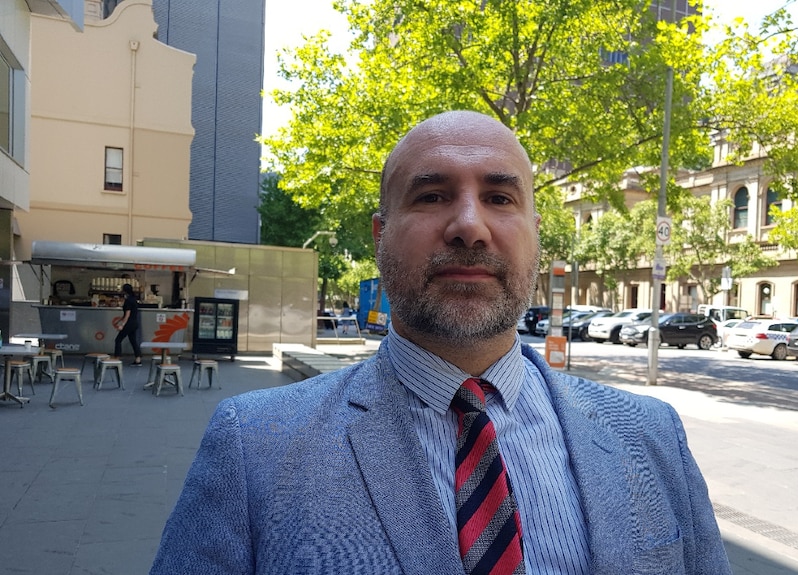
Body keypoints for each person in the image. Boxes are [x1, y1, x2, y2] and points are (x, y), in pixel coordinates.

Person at [150, 111, 731, 574]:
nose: (469, 226)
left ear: (534, 236)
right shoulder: (253, 447)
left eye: (501, 198)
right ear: (381, 236)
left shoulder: (653, 435)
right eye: (431, 196)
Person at [114, 283, 142, 366]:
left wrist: (122, 324)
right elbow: (130, 314)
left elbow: (127, 314)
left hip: (129, 323)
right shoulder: (133, 299)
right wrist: (119, 320)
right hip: (134, 323)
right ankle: (138, 359)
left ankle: (116, 358)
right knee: (133, 341)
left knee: (118, 340)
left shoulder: (128, 301)